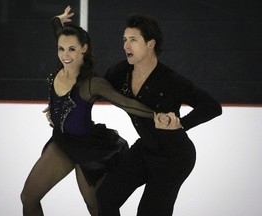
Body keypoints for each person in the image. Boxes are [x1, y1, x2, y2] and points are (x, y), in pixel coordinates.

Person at [52, 6, 222, 216]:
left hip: (174, 157)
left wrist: (181, 123)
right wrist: (60, 106)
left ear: (150, 44)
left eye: (133, 40)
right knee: (105, 197)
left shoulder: (171, 80)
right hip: (145, 149)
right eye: (124, 39)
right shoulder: (120, 73)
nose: (126, 45)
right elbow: (89, 87)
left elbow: (212, 106)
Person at [20, 8, 157, 216]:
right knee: (28, 197)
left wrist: (156, 115)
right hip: (62, 142)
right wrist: (59, 19)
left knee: (96, 206)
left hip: (88, 149)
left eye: (72, 49)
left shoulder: (91, 84)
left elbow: (127, 103)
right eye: (61, 49)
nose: (65, 55)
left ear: (84, 48)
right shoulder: (62, 60)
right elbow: (56, 27)